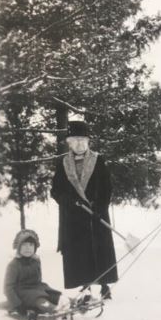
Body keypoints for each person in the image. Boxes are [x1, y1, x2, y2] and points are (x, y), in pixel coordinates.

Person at [51, 120, 118, 299]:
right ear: (69, 142)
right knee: (80, 253)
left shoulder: (98, 160)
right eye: (75, 140)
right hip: (73, 217)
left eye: (83, 139)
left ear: (89, 142)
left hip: (95, 214)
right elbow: (55, 190)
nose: (80, 143)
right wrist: (68, 201)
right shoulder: (63, 163)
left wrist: (100, 206)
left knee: (99, 249)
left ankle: (104, 285)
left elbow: (107, 187)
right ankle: (86, 287)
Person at [2, 229, 65, 317]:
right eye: (24, 245)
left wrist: (42, 288)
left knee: (53, 294)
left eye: (31, 245)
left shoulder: (35, 261)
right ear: (19, 247)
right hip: (22, 292)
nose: (28, 248)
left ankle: (67, 301)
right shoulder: (14, 265)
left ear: (35, 248)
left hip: (36, 288)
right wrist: (18, 305)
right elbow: (8, 288)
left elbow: (38, 279)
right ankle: (53, 309)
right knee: (40, 300)